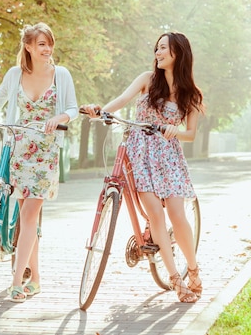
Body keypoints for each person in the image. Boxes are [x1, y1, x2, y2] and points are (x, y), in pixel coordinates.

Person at [81, 32, 204, 303]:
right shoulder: (147, 80)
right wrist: (101, 111)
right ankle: (176, 280)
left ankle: (193, 270)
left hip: (169, 157)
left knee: (176, 214)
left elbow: (192, 133)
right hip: (140, 154)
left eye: (164, 49)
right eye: (157, 48)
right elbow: (120, 100)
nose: (158, 53)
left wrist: (175, 130)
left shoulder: (191, 94)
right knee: (155, 216)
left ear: (178, 54)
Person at [0, 22, 78, 302]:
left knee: (27, 217)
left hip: (45, 153)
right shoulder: (15, 74)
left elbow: (72, 108)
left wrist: (58, 118)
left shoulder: (60, 75)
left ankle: (16, 281)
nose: (47, 49)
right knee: (28, 221)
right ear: (28, 46)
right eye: (41, 44)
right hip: (19, 149)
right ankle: (35, 279)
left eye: (49, 43)